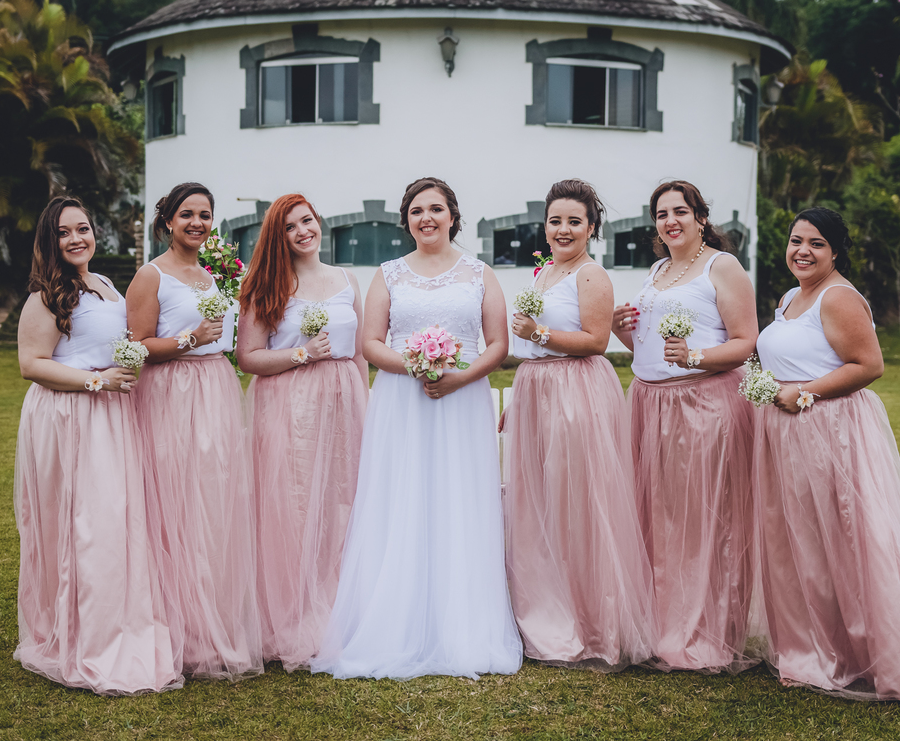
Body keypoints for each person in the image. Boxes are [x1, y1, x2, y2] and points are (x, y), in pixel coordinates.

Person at [750, 207, 900, 702]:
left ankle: (868, 656)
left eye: (817, 243)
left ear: (836, 251)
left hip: (829, 430)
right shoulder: (790, 296)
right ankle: (811, 650)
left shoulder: (839, 297)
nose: (802, 251)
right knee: (797, 542)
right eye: (796, 240)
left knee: (845, 539)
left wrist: (804, 393)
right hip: (785, 432)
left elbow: (869, 365)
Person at [312, 176, 523, 680]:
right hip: (402, 400)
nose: (425, 218)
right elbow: (372, 342)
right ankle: (396, 619)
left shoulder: (479, 273)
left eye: (435, 209)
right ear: (406, 221)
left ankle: (463, 624)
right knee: (401, 495)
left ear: (453, 215)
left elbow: (497, 342)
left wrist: (459, 377)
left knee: (460, 497)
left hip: (464, 397)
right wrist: (418, 366)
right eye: (415, 211)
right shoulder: (388, 273)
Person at [14, 196, 182, 695]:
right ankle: (82, 633)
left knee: (118, 519)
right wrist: (95, 383)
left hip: (112, 414)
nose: (76, 239)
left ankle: (118, 624)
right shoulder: (46, 295)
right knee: (85, 525)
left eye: (83, 228)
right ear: (50, 241)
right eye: (64, 232)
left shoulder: (106, 284)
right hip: (71, 416)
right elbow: (31, 363)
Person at [501, 179, 655, 670]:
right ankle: (546, 608)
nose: (563, 229)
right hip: (536, 389)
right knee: (539, 500)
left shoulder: (591, 275)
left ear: (591, 228)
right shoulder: (545, 272)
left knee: (577, 502)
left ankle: (590, 621)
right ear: (544, 226)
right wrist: (521, 391)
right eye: (555, 221)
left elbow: (594, 340)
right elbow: (532, 342)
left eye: (574, 221)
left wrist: (537, 333)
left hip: (575, 391)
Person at [611, 180, 758, 673]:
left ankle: (707, 629)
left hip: (704, 404)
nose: (670, 220)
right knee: (661, 518)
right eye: (661, 213)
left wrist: (695, 356)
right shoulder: (658, 270)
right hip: (651, 405)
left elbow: (745, 342)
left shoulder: (723, 266)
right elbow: (652, 349)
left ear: (700, 217)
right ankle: (664, 620)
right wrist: (621, 332)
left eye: (680, 211)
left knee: (705, 520)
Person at [126, 182, 263, 680]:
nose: (197, 223)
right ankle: (174, 628)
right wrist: (187, 339)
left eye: (205, 215)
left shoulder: (210, 276)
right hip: (170, 394)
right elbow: (137, 344)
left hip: (215, 389)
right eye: (187, 214)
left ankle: (210, 625)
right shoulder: (151, 276)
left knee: (212, 504)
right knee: (174, 503)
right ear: (168, 221)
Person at [235, 194, 367, 671]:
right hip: (290, 403)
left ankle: (339, 608)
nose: (302, 232)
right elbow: (248, 357)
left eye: (307, 221)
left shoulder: (348, 279)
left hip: (344, 400)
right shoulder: (266, 284)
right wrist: (301, 355)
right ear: (279, 236)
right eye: (290, 227)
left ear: (319, 222)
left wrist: (365, 406)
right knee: (293, 506)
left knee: (341, 502)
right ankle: (292, 615)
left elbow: (359, 352)